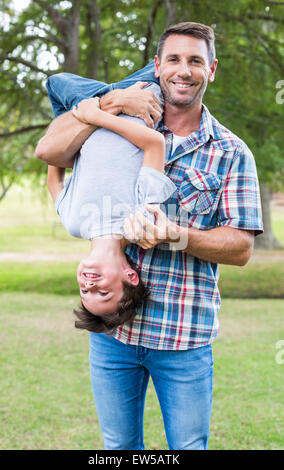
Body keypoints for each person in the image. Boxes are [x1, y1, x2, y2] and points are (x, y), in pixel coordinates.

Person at [36, 22, 263, 450]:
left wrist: (174, 234)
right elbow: (51, 149)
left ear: (211, 70)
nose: (185, 70)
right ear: (157, 66)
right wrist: (111, 102)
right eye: (174, 59)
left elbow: (241, 248)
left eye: (196, 61)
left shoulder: (231, 152)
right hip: (113, 338)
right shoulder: (119, 121)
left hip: (183, 340)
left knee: (188, 447)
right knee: (118, 448)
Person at [38, 84, 176, 332]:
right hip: (139, 93)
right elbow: (155, 144)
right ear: (130, 276)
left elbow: (53, 174)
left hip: (86, 102)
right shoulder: (140, 221)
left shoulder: (73, 222)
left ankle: (104, 99)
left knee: (55, 82)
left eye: (84, 291)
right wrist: (100, 114)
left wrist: (79, 119)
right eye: (102, 293)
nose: (89, 286)